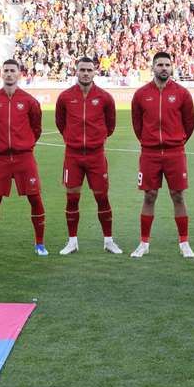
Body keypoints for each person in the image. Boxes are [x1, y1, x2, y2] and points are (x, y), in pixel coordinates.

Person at [130, 52, 194, 258]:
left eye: (167, 64)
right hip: (150, 153)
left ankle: (184, 243)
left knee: (177, 195)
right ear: (153, 67)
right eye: (160, 64)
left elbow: (189, 124)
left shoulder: (182, 93)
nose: (164, 68)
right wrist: (149, 141)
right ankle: (144, 243)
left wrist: (176, 140)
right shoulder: (141, 94)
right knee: (149, 196)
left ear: (172, 67)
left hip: (175, 152)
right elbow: (137, 125)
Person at [55, 57, 120, 255]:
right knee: (72, 199)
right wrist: (72, 139)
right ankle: (72, 241)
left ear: (94, 72)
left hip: (96, 156)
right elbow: (60, 123)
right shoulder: (65, 97)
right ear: (76, 71)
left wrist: (95, 140)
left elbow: (110, 126)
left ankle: (108, 241)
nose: (85, 73)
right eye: (82, 69)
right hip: (73, 156)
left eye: (89, 70)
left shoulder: (105, 97)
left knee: (102, 198)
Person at [0, 59, 47, 256]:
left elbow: (36, 128)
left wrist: (23, 144)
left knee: (35, 198)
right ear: (1, 74)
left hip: (24, 158)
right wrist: (3, 143)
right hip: (0, 159)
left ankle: (40, 244)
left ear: (19, 74)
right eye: (6, 71)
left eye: (13, 71)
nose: (9, 74)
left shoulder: (29, 101)